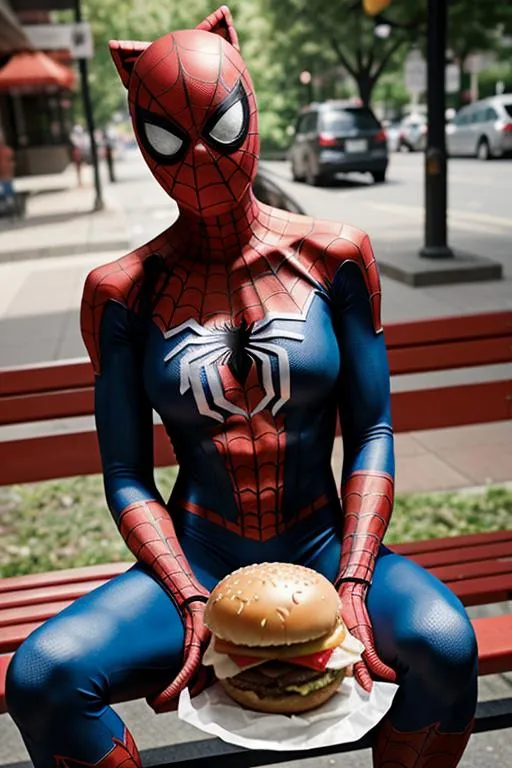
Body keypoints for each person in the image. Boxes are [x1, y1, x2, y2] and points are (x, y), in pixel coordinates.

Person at [6, 7, 477, 768]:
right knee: (42, 676)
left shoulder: (334, 258)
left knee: (446, 642)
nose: (199, 155)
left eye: (217, 127)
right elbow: (126, 474)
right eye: (168, 137)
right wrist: (189, 595)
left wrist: (355, 577)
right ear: (141, 137)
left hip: (327, 543)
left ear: (250, 111)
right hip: (195, 554)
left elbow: (374, 431)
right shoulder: (125, 290)